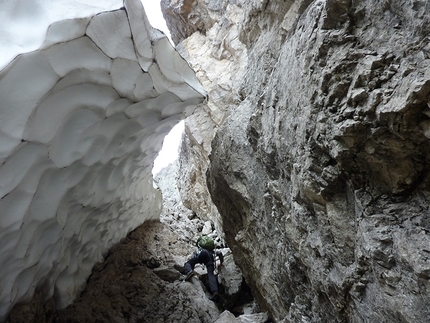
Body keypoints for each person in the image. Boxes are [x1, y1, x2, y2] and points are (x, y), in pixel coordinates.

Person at [184, 236, 223, 302]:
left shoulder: (200, 248)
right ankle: (215, 292)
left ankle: (189, 271)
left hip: (202, 254)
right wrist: (221, 262)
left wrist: (193, 266)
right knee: (211, 274)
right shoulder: (212, 250)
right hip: (210, 257)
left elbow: (194, 256)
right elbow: (220, 253)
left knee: (189, 263)